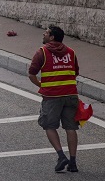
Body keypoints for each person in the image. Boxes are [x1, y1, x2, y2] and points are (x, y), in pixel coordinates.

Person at [28, 25, 80, 173]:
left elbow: (31, 74)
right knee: (71, 128)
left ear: (51, 37)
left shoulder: (42, 52)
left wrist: (41, 85)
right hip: (71, 95)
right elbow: (75, 72)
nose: (43, 34)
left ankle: (61, 155)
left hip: (52, 97)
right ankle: (73, 162)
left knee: (49, 126)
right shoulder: (71, 52)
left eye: (46, 33)